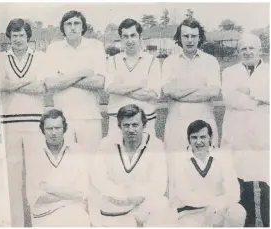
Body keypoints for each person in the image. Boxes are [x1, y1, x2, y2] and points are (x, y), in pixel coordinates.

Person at [90, 104, 177, 227]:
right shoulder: (106, 144)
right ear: (119, 126)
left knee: (161, 204)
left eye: (135, 125)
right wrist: (121, 195)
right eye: (126, 125)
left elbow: (159, 184)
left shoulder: (156, 145)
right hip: (115, 204)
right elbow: (98, 178)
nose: (131, 130)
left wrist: (137, 195)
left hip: (143, 204)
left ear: (144, 125)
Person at [0, 18, 47, 227]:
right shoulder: (0, 57)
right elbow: (0, 85)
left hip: (35, 122)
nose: (18, 39)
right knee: (12, 178)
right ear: (9, 38)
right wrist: (27, 82)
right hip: (9, 123)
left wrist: (13, 85)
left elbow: (41, 88)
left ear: (28, 37)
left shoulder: (40, 57)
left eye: (22, 35)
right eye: (14, 35)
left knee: (36, 175)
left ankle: (39, 222)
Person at [221, 33, 269, 227]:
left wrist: (247, 91)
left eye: (252, 48)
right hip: (237, 135)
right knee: (240, 185)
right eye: (243, 48)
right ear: (238, 51)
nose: (248, 52)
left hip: (263, 136)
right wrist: (261, 99)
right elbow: (230, 99)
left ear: (260, 50)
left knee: (265, 185)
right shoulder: (229, 72)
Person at [44, 10, 107, 153]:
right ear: (63, 28)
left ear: (83, 26)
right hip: (62, 119)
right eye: (68, 24)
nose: (73, 27)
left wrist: (64, 77)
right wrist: (82, 73)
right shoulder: (54, 49)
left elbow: (99, 83)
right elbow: (50, 83)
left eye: (77, 23)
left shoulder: (96, 46)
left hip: (90, 117)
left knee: (92, 164)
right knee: (66, 164)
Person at [161, 18, 221, 153]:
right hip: (176, 125)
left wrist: (180, 93)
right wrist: (199, 89)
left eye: (193, 36)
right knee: (176, 167)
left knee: (206, 168)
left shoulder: (211, 61)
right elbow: (168, 91)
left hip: (204, 124)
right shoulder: (169, 62)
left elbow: (213, 91)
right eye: (185, 36)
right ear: (179, 38)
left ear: (199, 38)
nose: (189, 40)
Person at [171, 120, 246, 227]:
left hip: (219, 210)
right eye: (194, 137)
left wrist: (217, 205)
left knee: (237, 212)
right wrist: (209, 204)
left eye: (203, 137)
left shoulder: (223, 157)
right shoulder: (180, 160)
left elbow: (234, 191)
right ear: (188, 139)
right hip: (191, 213)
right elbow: (183, 194)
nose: (198, 142)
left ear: (210, 138)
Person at [23, 109, 91, 226]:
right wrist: (67, 193)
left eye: (57, 128)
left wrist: (49, 188)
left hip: (74, 213)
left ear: (64, 128)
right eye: (49, 129)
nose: (53, 133)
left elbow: (82, 192)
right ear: (43, 130)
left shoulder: (77, 151)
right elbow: (35, 197)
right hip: (45, 215)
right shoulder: (34, 155)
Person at [105, 19, 161, 137]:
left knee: (146, 154)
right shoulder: (112, 61)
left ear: (140, 37)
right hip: (117, 121)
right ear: (121, 39)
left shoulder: (152, 61)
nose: (129, 40)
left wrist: (121, 88)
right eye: (125, 36)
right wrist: (139, 85)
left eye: (133, 35)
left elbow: (152, 94)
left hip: (145, 121)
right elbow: (110, 88)